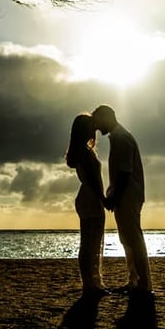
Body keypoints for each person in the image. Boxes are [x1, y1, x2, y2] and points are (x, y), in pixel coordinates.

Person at [91, 104, 153, 296]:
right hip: (126, 195)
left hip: (128, 195)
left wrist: (114, 198)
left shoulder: (121, 138)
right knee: (128, 239)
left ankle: (143, 283)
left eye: (98, 121)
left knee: (133, 239)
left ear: (108, 118)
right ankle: (134, 280)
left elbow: (125, 173)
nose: (96, 127)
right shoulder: (119, 137)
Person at [65, 113, 109, 298]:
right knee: (91, 243)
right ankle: (91, 284)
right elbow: (93, 180)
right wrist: (103, 199)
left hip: (86, 198)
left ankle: (91, 283)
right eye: (92, 125)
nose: (95, 128)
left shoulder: (81, 151)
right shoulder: (85, 152)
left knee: (89, 243)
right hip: (91, 198)